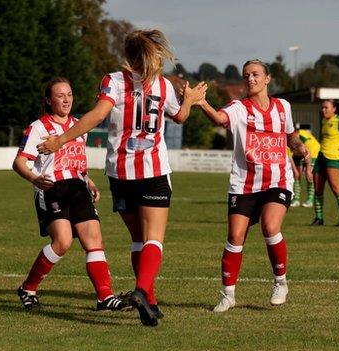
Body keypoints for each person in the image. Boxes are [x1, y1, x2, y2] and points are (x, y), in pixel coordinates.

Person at [37, 29, 207, 326]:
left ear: (127, 56)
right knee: (154, 239)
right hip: (153, 170)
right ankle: (143, 291)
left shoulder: (113, 81)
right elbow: (180, 117)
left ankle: (150, 300)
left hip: (120, 172)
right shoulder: (163, 85)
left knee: (138, 239)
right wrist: (191, 100)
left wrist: (61, 139)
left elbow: (96, 115)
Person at [196, 59, 310, 312]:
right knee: (235, 237)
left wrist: (300, 147)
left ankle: (280, 282)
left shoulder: (283, 107)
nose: (250, 79)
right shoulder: (239, 108)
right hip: (244, 183)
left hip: (277, 180)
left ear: (267, 79)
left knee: (270, 226)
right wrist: (202, 103)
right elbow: (219, 119)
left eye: (255, 74)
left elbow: (290, 136)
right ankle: (228, 295)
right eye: (246, 75)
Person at [13, 78, 130, 312]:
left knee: (94, 240)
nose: (66, 99)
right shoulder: (38, 128)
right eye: (59, 95)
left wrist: (89, 181)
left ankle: (104, 297)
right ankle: (28, 288)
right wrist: (35, 179)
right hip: (52, 188)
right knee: (63, 242)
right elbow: (19, 163)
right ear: (48, 100)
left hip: (78, 188)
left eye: (69, 94)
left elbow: (76, 162)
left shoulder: (79, 125)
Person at [290, 123, 318, 208]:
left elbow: (309, 152)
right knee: (296, 176)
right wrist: (294, 170)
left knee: (308, 176)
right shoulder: (288, 137)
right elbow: (288, 155)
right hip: (297, 155)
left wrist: (308, 168)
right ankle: (296, 200)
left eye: (296, 131)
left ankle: (310, 200)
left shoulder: (304, 137)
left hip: (313, 153)